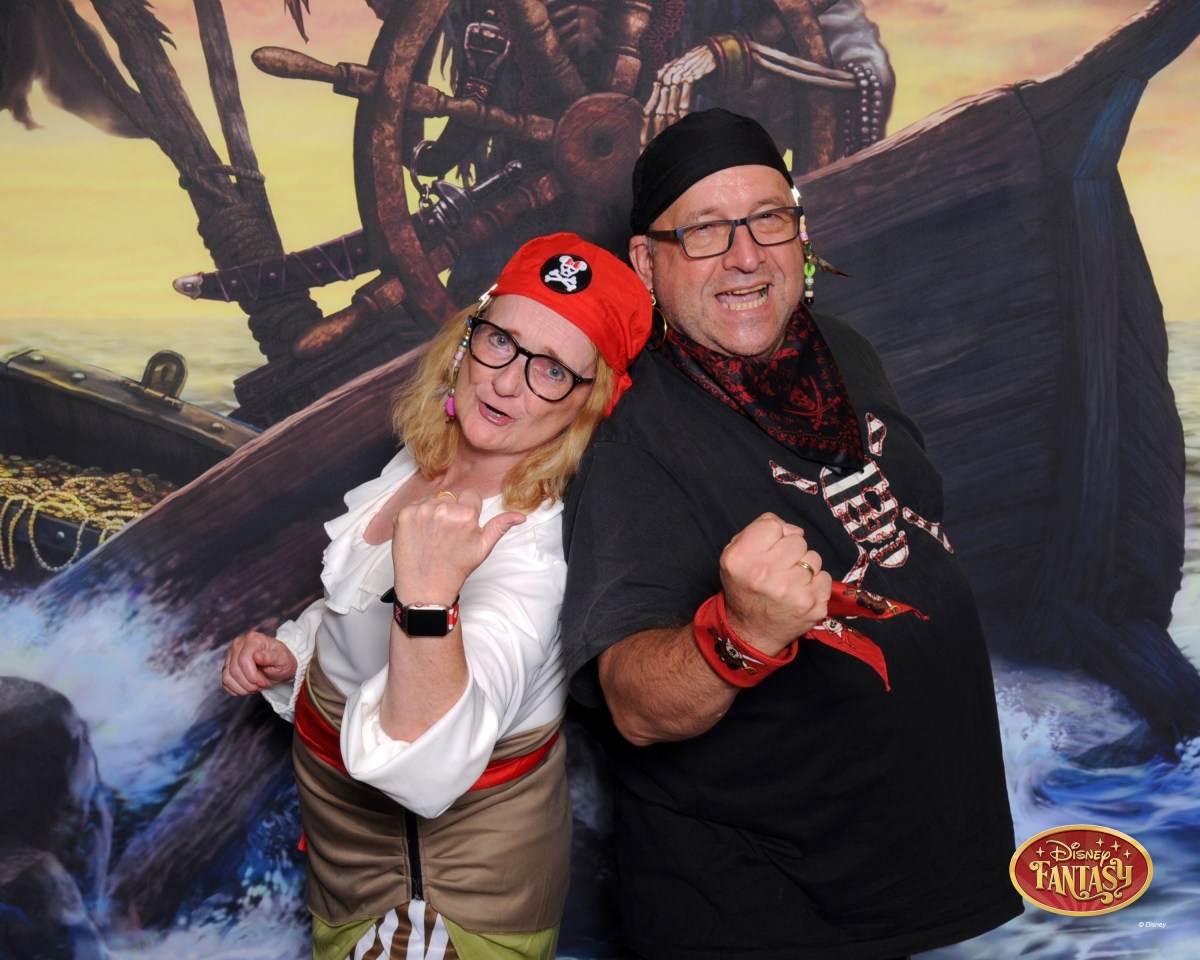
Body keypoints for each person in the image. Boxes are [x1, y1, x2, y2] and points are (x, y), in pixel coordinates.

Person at [559, 109, 1023, 960]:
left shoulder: (839, 348)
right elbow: (633, 704)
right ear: (647, 264)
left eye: (768, 218)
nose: (745, 256)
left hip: (892, 882)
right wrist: (738, 635)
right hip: (763, 910)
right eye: (704, 230)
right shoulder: (628, 431)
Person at [221, 232, 652, 960]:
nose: (507, 383)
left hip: (439, 910)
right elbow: (359, 607)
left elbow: (427, 768)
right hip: (347, 868)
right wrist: (297, 657)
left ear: (589, 404)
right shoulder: (428, 458)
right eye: (501, 342)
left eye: (552, 370)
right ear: (466, 339)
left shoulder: (535, 554)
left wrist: (428, 597)